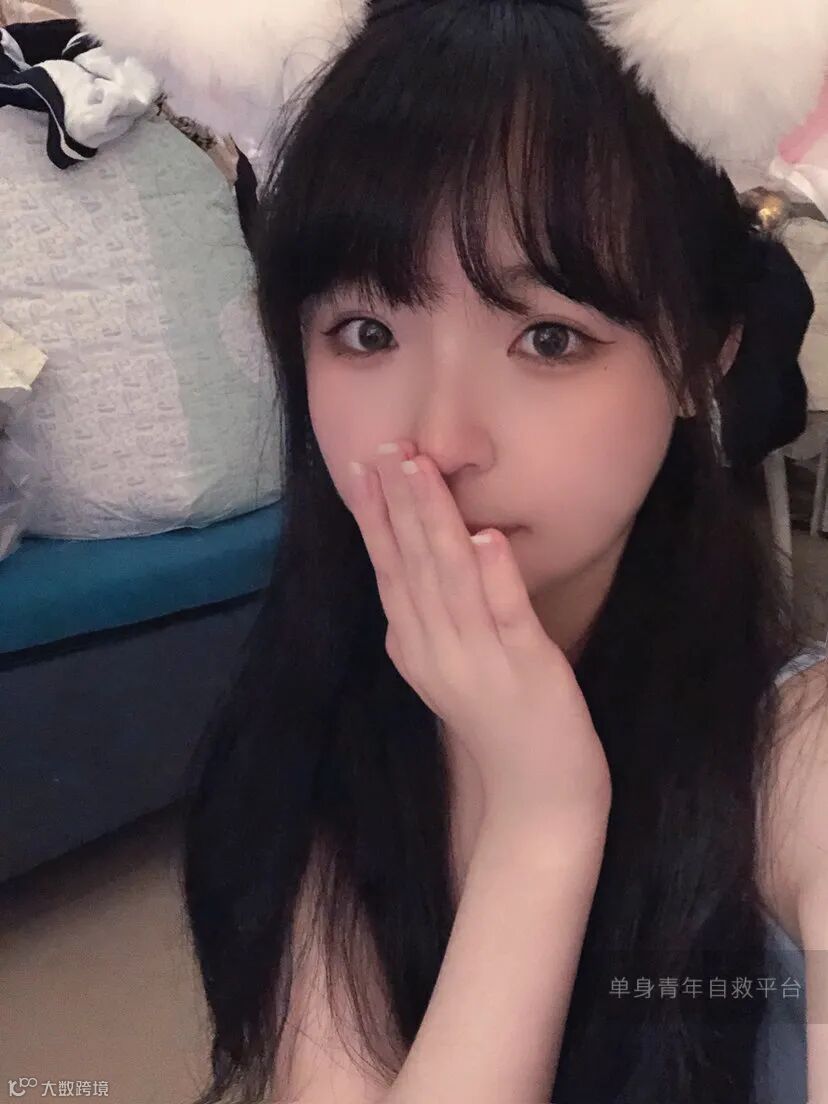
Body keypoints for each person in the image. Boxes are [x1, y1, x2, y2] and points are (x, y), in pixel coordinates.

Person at [179, 1, 828, 1102]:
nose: (440, 439)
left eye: (548, 338)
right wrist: (541, 816)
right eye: (367, 333)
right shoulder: (329, 724)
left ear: (698, 359)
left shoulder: (800, 766)